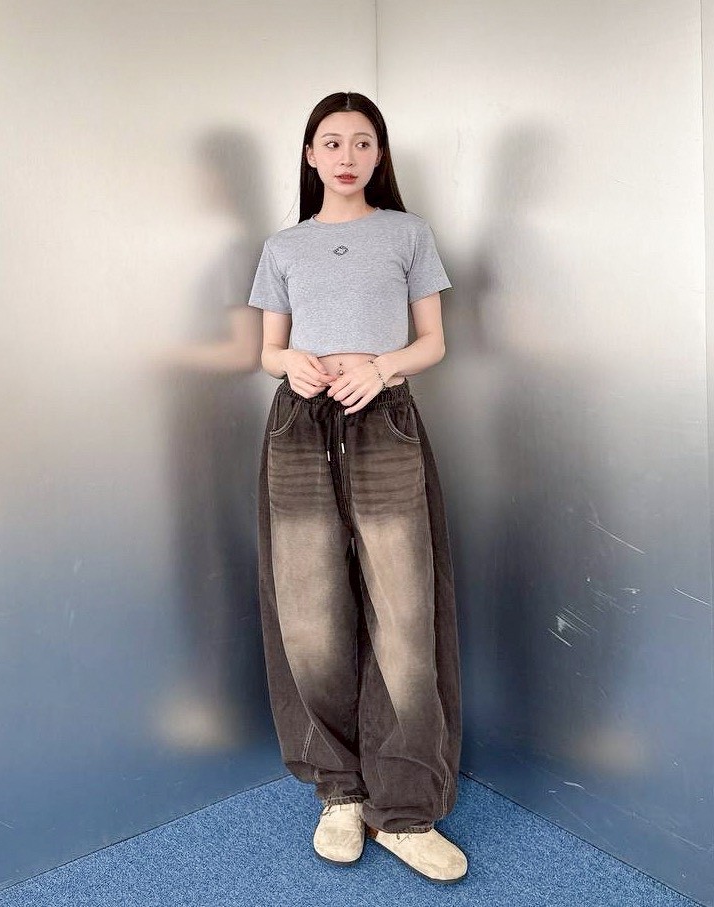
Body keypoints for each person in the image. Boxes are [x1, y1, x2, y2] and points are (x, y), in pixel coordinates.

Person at [246, 90, 466, 884]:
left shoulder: (407, 233)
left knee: (404, 615)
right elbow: (267, 350)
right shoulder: (282, 246)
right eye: (331, 142)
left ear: (380, 154)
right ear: (310, 155)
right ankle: (338, 791)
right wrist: (292, 363)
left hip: (384, 420)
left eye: (362, 142)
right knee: (308, 615)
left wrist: (382, 367)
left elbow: (433, 340)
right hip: (298, 426)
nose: (346, 156)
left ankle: (403, 810)